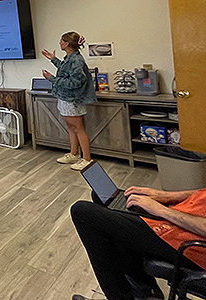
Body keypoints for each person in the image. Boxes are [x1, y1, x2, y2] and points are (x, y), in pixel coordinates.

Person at [71, 186, 206, 300]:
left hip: (192, 244)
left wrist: (162, 210)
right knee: (104, 194)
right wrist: (166, 196)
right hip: (186, 217)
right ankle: (144, 289)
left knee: (82, 212)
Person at [42, 31, 97, 171]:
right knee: (71, 127)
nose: (59, 43)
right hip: (65, 98)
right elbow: (65, 69)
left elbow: (75, 82)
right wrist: (53, 59)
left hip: (73, 99)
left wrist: (52, 79)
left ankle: (87, 159)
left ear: (67, 44)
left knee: (78, 128)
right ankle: (74, 153)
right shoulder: (70, 57)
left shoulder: (77, 60)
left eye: (61, 41)